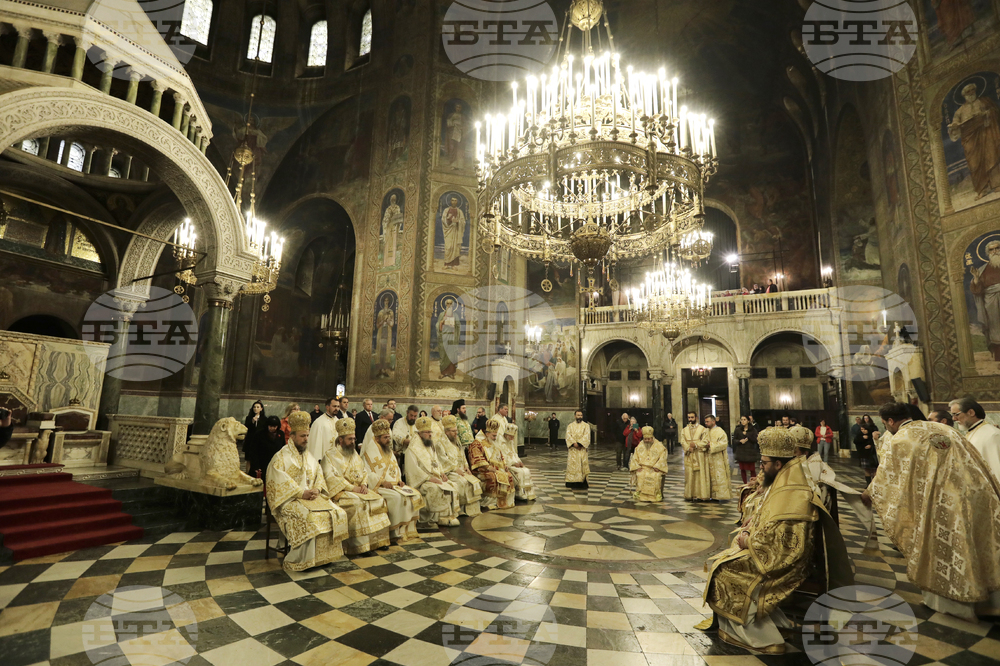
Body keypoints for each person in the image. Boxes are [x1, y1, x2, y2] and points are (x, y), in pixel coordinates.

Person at [698, 426, 853, 654]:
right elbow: (769, 517)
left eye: (764, 463)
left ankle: (757, 636)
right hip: (770, 551)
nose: (761, 467)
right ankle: (769, 624)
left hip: (782, 561)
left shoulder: (793, 492)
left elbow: (785, 544)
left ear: (779, 464)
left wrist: (748, 541)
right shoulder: (784, 480)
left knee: (723, 571)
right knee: (723, 560)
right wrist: (753, 526)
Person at [864, 401, 1000, 622]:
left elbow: (888, 478)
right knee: (982, 543)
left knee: (947, 547)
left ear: (890, 421)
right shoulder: (942, 428)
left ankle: (956, 604)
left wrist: (869, 492)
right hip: (977, 494)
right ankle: (991, 604)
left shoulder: (901, 438)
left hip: (941, 503)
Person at [265, 411, 349, 572]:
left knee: (336, 512)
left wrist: (317, 489)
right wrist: (300, 493)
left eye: (307, 436)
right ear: (293, 436)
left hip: (310, 498)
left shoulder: (309, 456)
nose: (306, 439)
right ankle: (303, 559)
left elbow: (318, 474)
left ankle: (324, 557)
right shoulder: (281, 457)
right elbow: (277, 480)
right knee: (311, 518)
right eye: (303, 436)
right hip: (289, 500)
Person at [321, 418, 392, 555]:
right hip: (341, 493)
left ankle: (378, 541)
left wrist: (365, 484)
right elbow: (330, 478)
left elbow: (364, 471)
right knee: (360, 504)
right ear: (341, 440)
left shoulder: (354, 454)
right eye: (350, 439)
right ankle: (361, 546)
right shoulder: (329, 456)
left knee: (378, 500)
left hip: (359, 489)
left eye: (354, 439)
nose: (353, 442)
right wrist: (352, 488)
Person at [362, 418, 424, 543]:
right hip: (379, 487)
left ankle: (406, 530)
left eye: (388, 437)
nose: (388, 440)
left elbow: (395, 468)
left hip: (394, 485)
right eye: (385, 438)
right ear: (377, 438)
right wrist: (382, 482)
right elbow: (366, 473)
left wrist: (399, 480)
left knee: (415, 495)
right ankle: (394, 533)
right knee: (397, 498)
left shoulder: (388, 451)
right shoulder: (369, 452)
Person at [948, 82, 1000, 201]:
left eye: (973, 92)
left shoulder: (984, 102)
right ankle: (982, 189)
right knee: (975, 163)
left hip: (986, 134)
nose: (971, 95)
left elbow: (995, 111)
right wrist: (955, 125)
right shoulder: (960, 111)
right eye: (968, 94)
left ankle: (996, 184)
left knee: (991, 157)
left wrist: (986, 114)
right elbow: (955, 122)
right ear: (964, 96)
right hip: (970, 139)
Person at [407, 417, 460, 528]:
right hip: (422, 481)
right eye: (427, 432)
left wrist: (442, 473)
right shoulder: (412, 449)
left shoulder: (429, 445)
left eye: (430, 432)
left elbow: (436, 462)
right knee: (434, 488)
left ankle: (446, 515)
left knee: (452, 485)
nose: (430, 434)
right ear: (420, 433)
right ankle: (430, 519)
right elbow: (412, 469)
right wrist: (428, 478)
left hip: (435, 477)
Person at [437, 414, 483, 516]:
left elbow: (462, 455)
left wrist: (466, 466)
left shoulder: (456, 440)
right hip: (449, 471)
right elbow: (442, 459)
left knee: (474, 482)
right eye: (453, 431)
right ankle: (460, 508)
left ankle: (470, 509)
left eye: (456, 430)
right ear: (446, 432)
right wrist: (455, 469)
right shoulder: (440, 443)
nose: (456, 433)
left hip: (462, 470)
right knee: (462, 482)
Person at [468, 417, 515, 510]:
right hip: (482, 471)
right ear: (487, 434)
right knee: (492, 477)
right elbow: (476, 458)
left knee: (509, 475)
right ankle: (490, 502)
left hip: (496, 469)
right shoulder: (477, 443)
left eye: (496, 435)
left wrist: (504, 465)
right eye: (493, 436)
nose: (495, 438)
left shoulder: (494, 442)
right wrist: (488, 467)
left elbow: (500, 456)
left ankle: (504, 501)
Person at [949, 397, 1000, 481]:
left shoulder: (992, 435)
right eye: (953, 415)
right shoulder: (972, 432)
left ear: (971, 412)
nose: (954, 419)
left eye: (956, 414)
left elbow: (997, 468)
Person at [629, 426, 668, 501]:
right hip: (643, 468)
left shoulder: (659, 445)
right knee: (640, 474)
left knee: (655, 475)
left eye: (648, 439)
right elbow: (634, 457)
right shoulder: (640, 445)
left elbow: (663, 456)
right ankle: (640, 494)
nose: (647, 441)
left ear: (652, 438)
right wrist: (637, 467)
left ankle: (656, 495)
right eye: (645, 439)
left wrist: (658, 467)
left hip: (654, 468)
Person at [497, 423, 535, 500]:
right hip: (507, 465)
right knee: (520, 472)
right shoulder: (501, 442)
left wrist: (519, 461)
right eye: (511, 436)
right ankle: (519, 493)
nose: (512, 438)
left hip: (514, 463)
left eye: (513, 436)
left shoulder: (510, 441)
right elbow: (502, 456)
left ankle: (528, 493)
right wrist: (513, 463)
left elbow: (514, 453)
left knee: (526, 470)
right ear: (506, 434)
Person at [245, 415, 284, 483]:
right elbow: (253, 451)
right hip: (261, 463)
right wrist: (256, 466)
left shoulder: (281, 434)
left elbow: (283, 448)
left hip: (275, 463)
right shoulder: (259, 434)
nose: (273, 428)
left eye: (275, 426)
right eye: (271, 426)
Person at [681, 411, 710, 500]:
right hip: (689, 455)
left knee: (700, 475)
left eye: (692, 417)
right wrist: (687, 448)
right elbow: (682, 441)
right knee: (690, 475)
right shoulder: (684, 430)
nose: (690, 419)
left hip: (699, 455)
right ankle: (690, 494)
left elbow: (705, 440)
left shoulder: (703, 429)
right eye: (689, 417)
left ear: (696, 418)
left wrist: (696, 445)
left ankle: (701, 495)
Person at [704, 415, 733, 501]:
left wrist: (711, 445)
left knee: (719, 476)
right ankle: (710, 495)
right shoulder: (705, 431)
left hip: (718, 458)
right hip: (707, 457)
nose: (706, 423)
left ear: (713, 421)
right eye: (705, 422)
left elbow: (724, 443)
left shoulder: (720, 431)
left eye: (707, 422)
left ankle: (719, 496)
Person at [565, 410, 590, 490]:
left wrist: (579, 444)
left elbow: (587, 436)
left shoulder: (586, 426)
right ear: (575, 416)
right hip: (573, 450)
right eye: (578, 415)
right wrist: (574, 444)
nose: (579, 417)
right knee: (572, 465)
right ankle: (571, 482)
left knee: (581, 465)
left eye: (581, 415)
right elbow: (568, 436)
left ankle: (581, 482)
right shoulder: (570, 426)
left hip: (581, 449)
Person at [308, 398, 339, 462]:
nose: (337, 409)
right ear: (327, 407)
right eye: (334, 406)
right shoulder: (319, 423)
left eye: (338, 406)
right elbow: (315, 444)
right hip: (323, 459)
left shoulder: (338, 421)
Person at [732, 415, 759, 484]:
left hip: (750, 452)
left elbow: (756, 439)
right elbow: (734, 440)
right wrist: (740, 441)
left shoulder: (753, 429)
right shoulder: (738, 429)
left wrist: (747, 434)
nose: (743, 421)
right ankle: (745, 483)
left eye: (744, 419)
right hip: (741, 451)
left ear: (748, 421)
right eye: (742, 420)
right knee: (742, 469)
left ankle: (753, 483)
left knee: (752, 469)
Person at [392, 405, 419, 472]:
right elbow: (395, 434)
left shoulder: (418, 423)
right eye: (411, 415)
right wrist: (403, 440)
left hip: (416, 453)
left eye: (415, 416)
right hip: (402, 452)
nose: (413, 418)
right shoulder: (399, 422)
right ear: (407, 413)